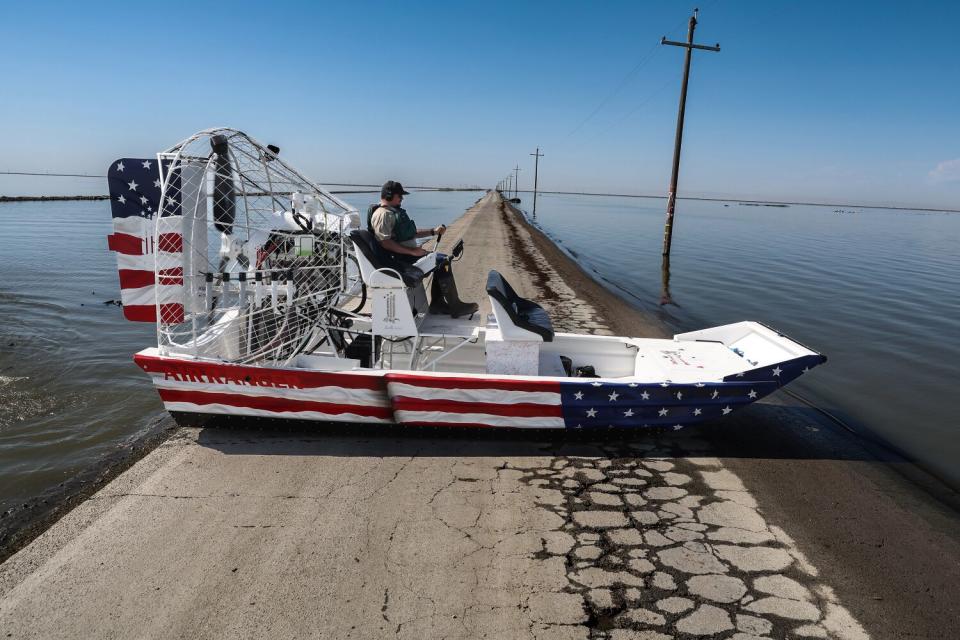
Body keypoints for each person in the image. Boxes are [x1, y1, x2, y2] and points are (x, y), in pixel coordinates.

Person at [367, 180, 478, 318]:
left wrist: (433, 231)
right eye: (399, 196)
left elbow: (411, 233)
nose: (402, 198)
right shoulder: (382, 214)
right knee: (441, 261)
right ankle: (454, 305)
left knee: (442, 260)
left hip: (407, 255)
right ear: (389, 195)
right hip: (399, 260)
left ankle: (438, 304)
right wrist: (412, 252)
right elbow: (385, 243)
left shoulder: (392, 212)